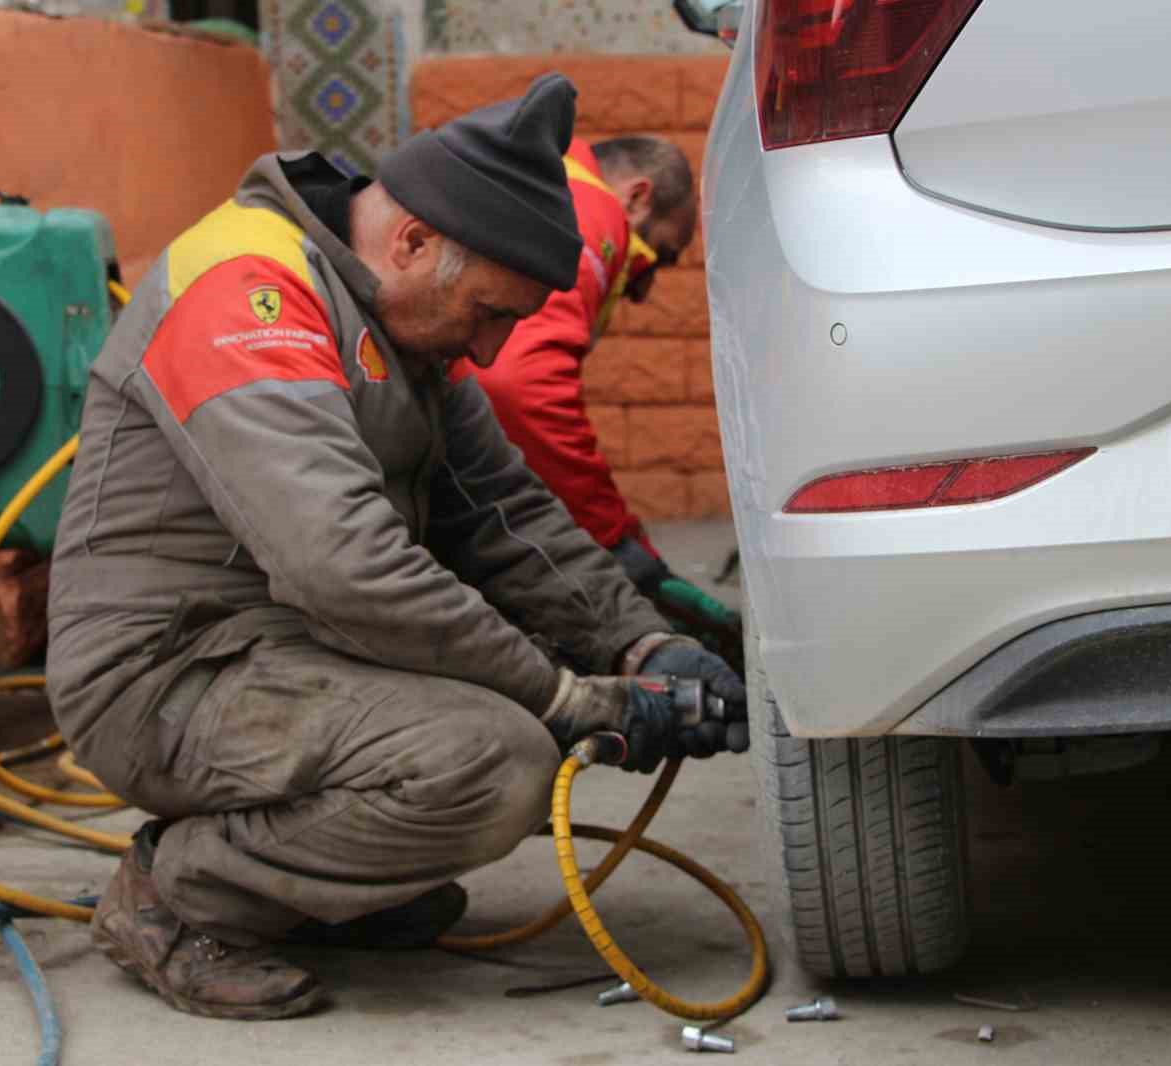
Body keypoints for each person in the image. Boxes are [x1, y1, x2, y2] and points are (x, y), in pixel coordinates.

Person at [45, 74, 748, 1022]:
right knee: (494, 758)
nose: (494, 351)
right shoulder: (247, 290)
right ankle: (176, 895)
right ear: (415, 242)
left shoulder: (399, 325)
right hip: (164, 672)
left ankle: (316, 883)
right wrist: (569, 696)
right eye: (492, 313)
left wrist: (641, 644)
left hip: (284, 649)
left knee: (495, 728)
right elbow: (345, 565)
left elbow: (505, 515)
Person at [452, 134, 743, 668]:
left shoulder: (547, 186)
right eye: (655, 257)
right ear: (636, 197)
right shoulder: (590, 210)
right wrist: (615, 541)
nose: (643, 289)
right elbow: (524, 387)